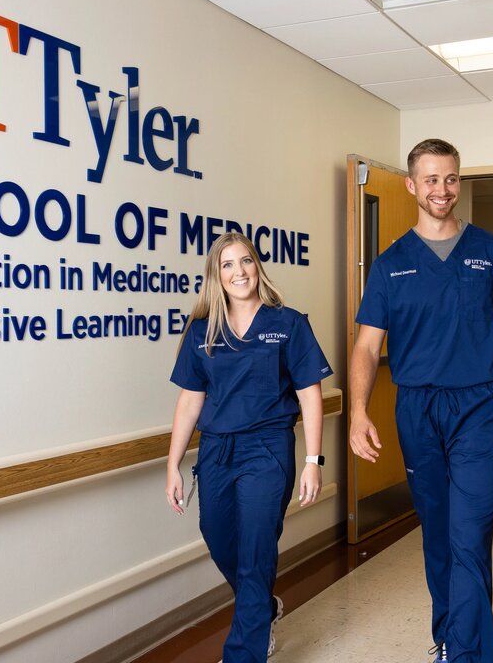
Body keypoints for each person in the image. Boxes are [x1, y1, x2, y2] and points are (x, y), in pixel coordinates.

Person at [349, 139, 493, 663]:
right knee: (437, 533)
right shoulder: (390, 265)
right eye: (431, 179)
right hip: (417, 410)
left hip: (480, 407)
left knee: (469, 536)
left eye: (450, 178)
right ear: (411, 185)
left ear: (460, 181)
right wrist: (359, 410)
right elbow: (367, 344)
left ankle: (468, 655)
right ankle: (449, 637)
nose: (442, 189)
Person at [166, 231, 332, 661]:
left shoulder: (288, 323)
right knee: (217, 534)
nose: (238, 272)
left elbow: (310, 394)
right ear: (216, 276)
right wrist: (172, 465)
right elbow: (189, 401)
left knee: (257, 545)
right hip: (217, 450)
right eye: (227, 265)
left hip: (268, 448)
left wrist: (313, 460)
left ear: (257, 267)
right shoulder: (202, 330)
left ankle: (244, 651)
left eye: (245, 261)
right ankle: (262, 608)